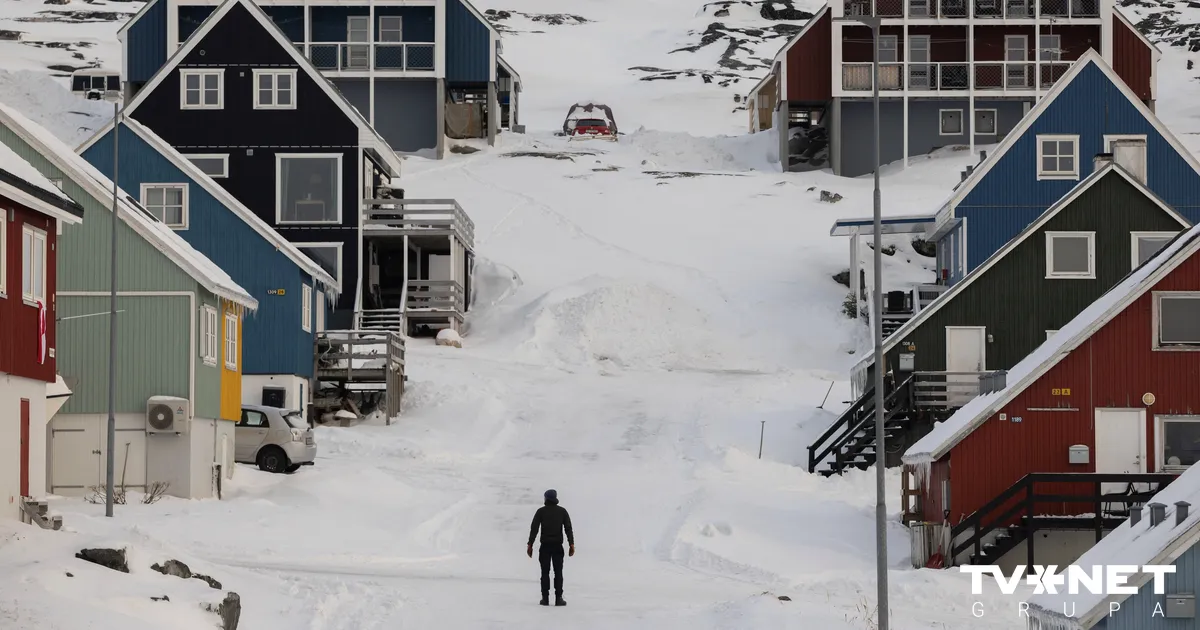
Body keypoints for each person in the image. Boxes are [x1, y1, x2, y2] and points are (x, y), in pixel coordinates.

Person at [527, 488, 575, 606]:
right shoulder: (562, 511)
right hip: (558, 546)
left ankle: (545, 598)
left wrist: (530, 544)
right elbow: (568, 528)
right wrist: (571, 544)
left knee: (545, 572)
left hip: (545, 547)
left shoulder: (541, 512)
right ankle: (559, 598)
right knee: (558, 572)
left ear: (546, 498)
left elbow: (534, 528)